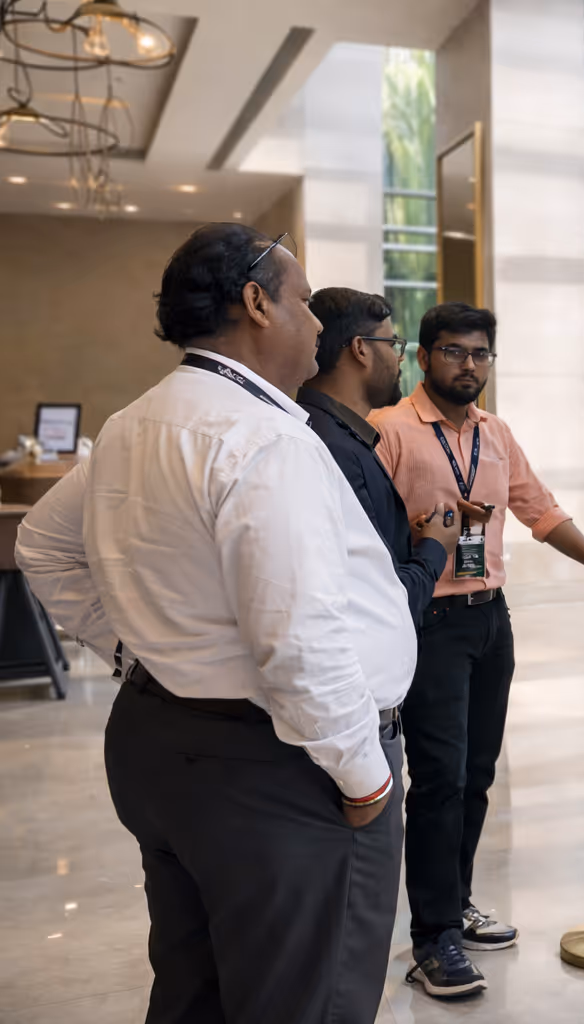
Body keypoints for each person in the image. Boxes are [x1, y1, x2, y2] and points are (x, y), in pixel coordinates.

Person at [16, 223, 415, 1023]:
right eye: (304, 302)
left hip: (164, 746)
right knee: (307, 1000)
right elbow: (298, 642)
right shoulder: (260, 438)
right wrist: (367, 777)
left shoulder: (137, 422)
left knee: (197, 988)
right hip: (280, 772)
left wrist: (135, 652)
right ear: (257, 303)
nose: (317, 326)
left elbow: (40, 544)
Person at [370, 301, 584, 999]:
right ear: (423, 358)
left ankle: (453, 903)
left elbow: (538, 508)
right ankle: (432, 941)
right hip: (427, 623)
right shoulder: (389, 431)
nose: (469, 365)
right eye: (454, 352)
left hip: (491, 620)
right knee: (440, 781)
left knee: (479, 776)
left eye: (480, 354)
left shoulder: (496, 433)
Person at [297, 287, 460, 623]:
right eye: (393, 344)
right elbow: (380, 598)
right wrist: (434, 548)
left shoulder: (335, 432)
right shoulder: (330, 445)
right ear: (360, 349)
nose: (400, 358)